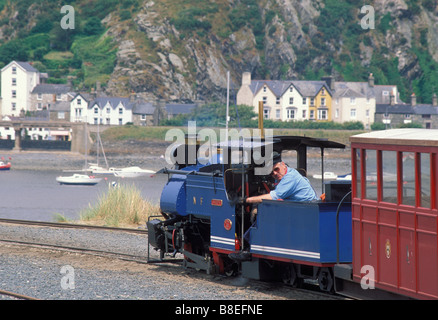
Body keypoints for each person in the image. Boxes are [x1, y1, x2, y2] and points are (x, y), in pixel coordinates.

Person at [245, 159, 318, 204]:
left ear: (283, 164)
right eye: (271, 173)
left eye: (276, 169)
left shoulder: (290, 177)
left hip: (308, 208)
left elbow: (275, 196)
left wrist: (248, 200)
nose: (275, 173)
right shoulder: (281, 176)